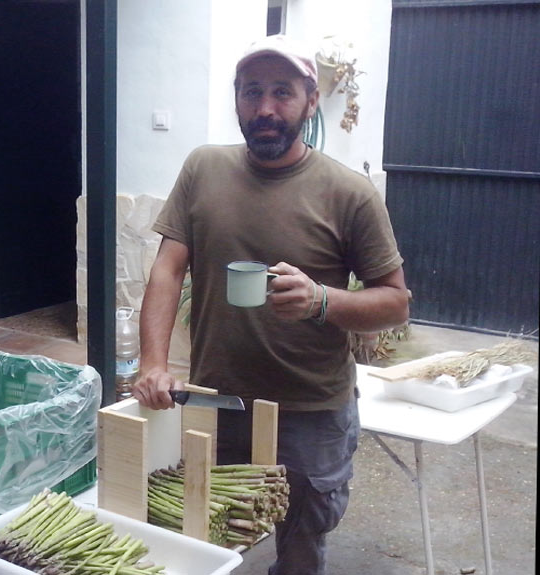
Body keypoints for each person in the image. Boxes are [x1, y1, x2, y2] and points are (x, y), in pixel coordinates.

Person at [132, 34, 410, 575]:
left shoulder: (349, 193)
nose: (265, 108)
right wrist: (154, 363)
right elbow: (167, 269)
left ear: (310, 101)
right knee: (206, 540)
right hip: (217, 403)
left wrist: (321, 300)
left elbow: (396, 303)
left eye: (282, 92)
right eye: (251, 91)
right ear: (236, 99)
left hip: (309, 413)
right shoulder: (202, 168)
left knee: (300, 548)